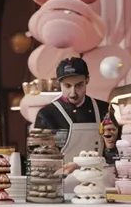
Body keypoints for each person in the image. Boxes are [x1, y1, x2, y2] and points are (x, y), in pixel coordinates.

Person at [34, 56, 119, 188]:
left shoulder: (105, 110)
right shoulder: (47, 115)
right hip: (62, 188)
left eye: (79, 85)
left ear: (87, 80)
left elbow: (115, 156)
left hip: (99, 187)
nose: (73, 93)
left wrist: (111, 147)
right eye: (67, 86)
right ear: (59, 84)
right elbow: (39, 163)